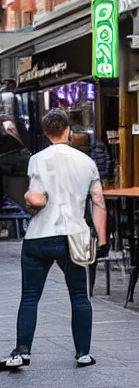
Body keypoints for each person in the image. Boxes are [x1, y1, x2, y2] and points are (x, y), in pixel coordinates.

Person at [1, 108, 108, 370]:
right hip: (73, 236)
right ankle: (83, 353)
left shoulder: (36, 160)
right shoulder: (87, 162)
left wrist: (28, 199)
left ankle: (22, 351)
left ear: (47, 132)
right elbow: (98, 202)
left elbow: (36, 197)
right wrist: (102, 240)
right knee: (79, 296)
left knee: (29, 296)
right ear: (68, 130)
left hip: (39, 235)